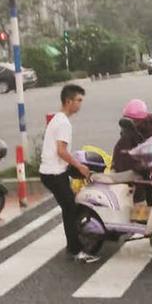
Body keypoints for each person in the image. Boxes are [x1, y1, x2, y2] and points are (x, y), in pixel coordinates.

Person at [40, 83, 99, 263]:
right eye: (78, 100)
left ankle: (74, 246)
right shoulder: (63, 123)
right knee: (70, 209)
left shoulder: (58, 119)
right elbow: (61, 151)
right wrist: (80, 167)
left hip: (53, 171)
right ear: (68, 101)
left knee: (70, 207)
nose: (80, 104)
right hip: (54, 174)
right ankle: (75, 251)